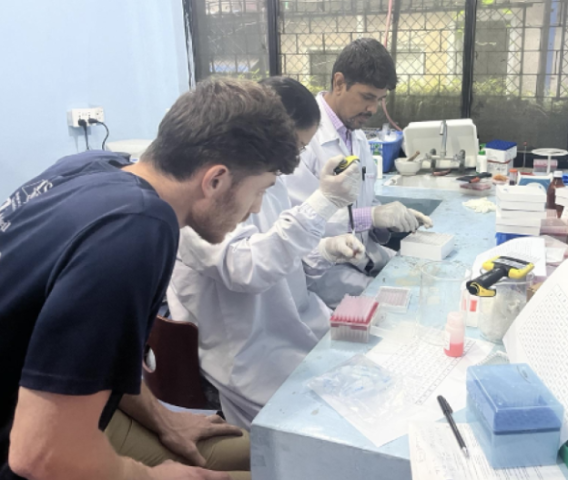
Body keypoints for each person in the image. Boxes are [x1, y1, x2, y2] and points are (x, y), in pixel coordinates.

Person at [0, 78, 307, 480]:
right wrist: (149, 476)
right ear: (215, 180)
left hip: (56, 406)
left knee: (270, 455)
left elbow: (85, 359)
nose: (256, 209)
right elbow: (39, 455)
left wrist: (164, 419)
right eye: (260, 191)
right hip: (29, 443)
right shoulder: (136, 231)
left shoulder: (92, 166)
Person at [166, 76, 364, 429]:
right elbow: (247, 267)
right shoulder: (199, 199)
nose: (294, 161)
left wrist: (325, 250)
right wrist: (323, 202)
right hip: (250, 354)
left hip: (290, 329)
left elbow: (279, 254)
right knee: (329, 433)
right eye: (296, 148)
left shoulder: (266, 182)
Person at [285, 38, 433, 308]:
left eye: (380, 100)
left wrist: (388, 219)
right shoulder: (303, 140)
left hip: (364, 259)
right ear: (339, 83)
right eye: (367, 97)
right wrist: (370, 216)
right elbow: (302, 223)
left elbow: (363, 203)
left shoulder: (357, 135)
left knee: (427, 284)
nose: (373, 109)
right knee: (403, 309)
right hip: (326, 274)